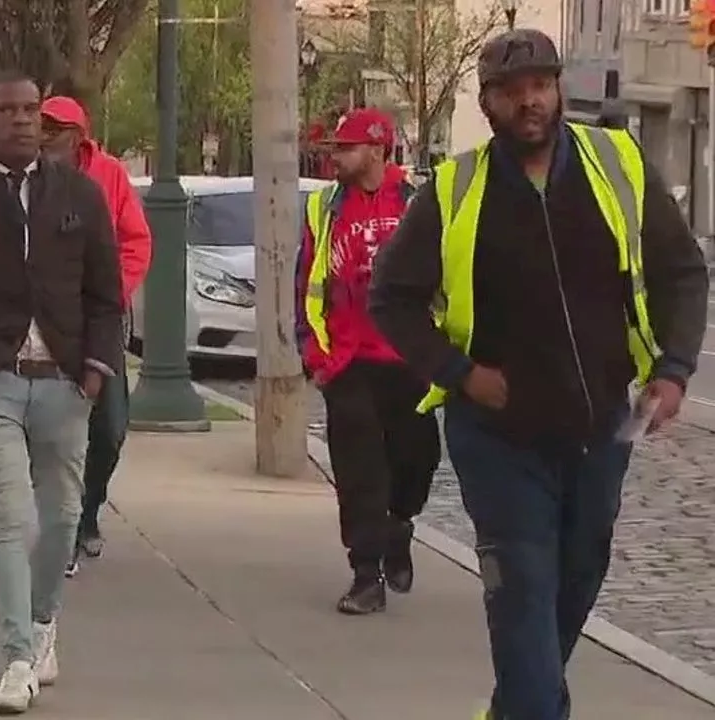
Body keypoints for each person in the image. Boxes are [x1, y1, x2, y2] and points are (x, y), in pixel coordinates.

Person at [368, 29, 708, 720]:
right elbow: (391, 299)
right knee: (521, 583)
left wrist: (673, 370)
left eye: (541, 86)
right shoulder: (454, 190)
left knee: (577, 577)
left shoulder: (617, 163)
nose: (531, 101)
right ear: (488, 103)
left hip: (601, 427)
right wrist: (461, 373)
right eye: (512, 91)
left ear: (558, 90)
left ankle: (517, 706)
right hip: (497, 435)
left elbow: (680, 271)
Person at [0, 69, 123, 714]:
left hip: (64, 379)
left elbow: (104, 293)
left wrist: (94, 371)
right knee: (8, 517)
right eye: (7, 110)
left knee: (62, 515)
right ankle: (15, 658)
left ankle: (42, 624)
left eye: (31, 109)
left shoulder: (81, 196)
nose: (22, 119)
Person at [293, 107, 442, 615]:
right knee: (359, 472)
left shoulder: (419, 203)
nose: (335, 157)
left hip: (409, 358)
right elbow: (308, 286)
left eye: (346, 148)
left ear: (377, 150)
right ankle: (365, 573)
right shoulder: (326, 209)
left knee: (417, 460)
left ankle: (400, 522)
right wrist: (317, 355)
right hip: (349, 360)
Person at [38, 95, 151, 578]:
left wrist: (111, 293)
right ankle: (58, 525)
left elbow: (136, 241)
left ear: (77, 136)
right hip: (45, 325)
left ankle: (88, 510)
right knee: (47, 430)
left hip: (100, 321)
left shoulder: (108, 176)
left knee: (108, 428)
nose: (44, 136)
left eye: (54, 128)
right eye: (40, 126)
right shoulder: (27, 178)